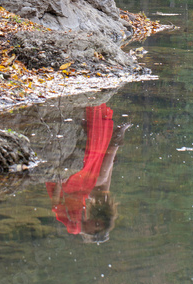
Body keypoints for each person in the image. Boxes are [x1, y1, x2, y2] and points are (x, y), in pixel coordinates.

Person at [45, 104, 131, 243]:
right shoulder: (84, 218)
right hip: (80, 189)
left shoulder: (75, 227)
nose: (94, 221)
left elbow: (56, 205)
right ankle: (111, 138)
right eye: (98, 222)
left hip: (70, 187)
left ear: (91, 232)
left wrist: (59, 181)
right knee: (100, 177)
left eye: (95, 225)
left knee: (98, 172)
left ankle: (113, 139)